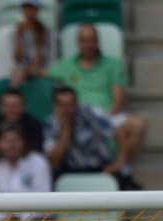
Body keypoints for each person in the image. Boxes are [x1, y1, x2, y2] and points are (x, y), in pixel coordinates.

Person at [47, 23, 147, 186]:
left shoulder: (113, 64)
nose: (88, 44)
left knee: (138, 124)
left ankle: (123, 167)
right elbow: (43, 73)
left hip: (104, 115)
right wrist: (26, 71)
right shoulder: (66, 65)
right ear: (78, 43)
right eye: (84, 40)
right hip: (74, 113)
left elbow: (119, 97)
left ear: (98, 41)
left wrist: (101, 121)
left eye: (91, 40)